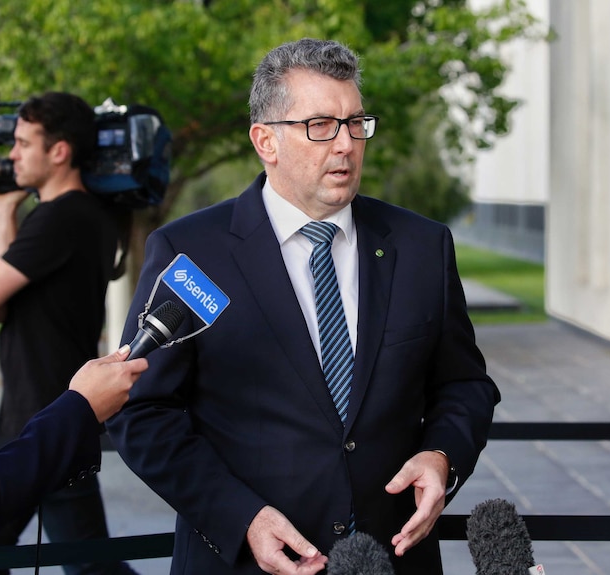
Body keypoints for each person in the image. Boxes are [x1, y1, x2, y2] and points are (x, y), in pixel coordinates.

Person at [106, 38, 501, 575]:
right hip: (246, 563)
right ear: (265, 140)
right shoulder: (192, 253)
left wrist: (442, 457)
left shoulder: (421, 246)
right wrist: (241, 517)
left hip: (392, 559)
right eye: (320, 126)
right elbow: (142, 409)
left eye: (356, 123)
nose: (345, 145)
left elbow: (464, 385)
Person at [0, 91, 135, 575]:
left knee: (83, 562)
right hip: (45, 414)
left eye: (22, 143)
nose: (12, 155)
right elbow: (4, 311)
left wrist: (7, 214)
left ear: (59, 151)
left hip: (48, 416)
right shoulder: (86, 217)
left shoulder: (62, 218)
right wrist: (5, 215)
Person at [0, 335, 147, 575]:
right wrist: (80, 408)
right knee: (90, 563)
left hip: (42, 420)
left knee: (88, 559)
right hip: (43, 421)